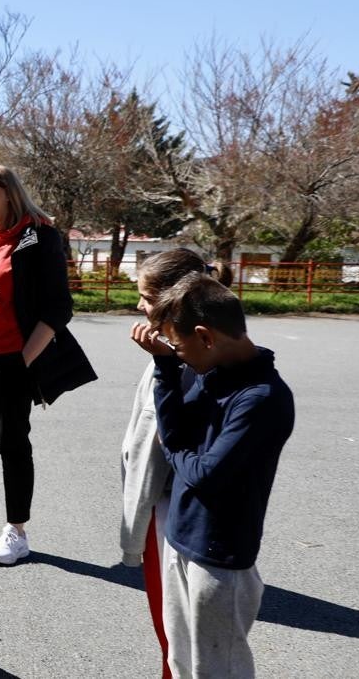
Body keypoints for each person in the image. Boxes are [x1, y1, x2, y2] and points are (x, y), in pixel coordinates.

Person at [132, 273, 294, 678]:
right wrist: (164, 366)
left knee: (217, 669)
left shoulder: (262, 397)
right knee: (181, 661)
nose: (179, 355)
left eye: (179, 345)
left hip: (221, 560)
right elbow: (178, 438)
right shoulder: (212, 374)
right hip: (183, 538)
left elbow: (203, 473)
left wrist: (177, 450)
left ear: (205, 337)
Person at [0, 164, 95, 565]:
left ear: (9, 190)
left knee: (11, 444)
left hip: (9, 361)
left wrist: (23, 361)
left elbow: (58, 308)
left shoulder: (39, 237)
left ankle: (17, 532)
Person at [120, 249, 219, 678]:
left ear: (172, 301)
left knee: (176, 630)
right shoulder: (178, 350)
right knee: (174, 628)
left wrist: (164, 363)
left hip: (172, 512)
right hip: (168, 509)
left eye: (145, 296)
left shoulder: (189, 360)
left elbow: (171, 441)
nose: (140, 305)